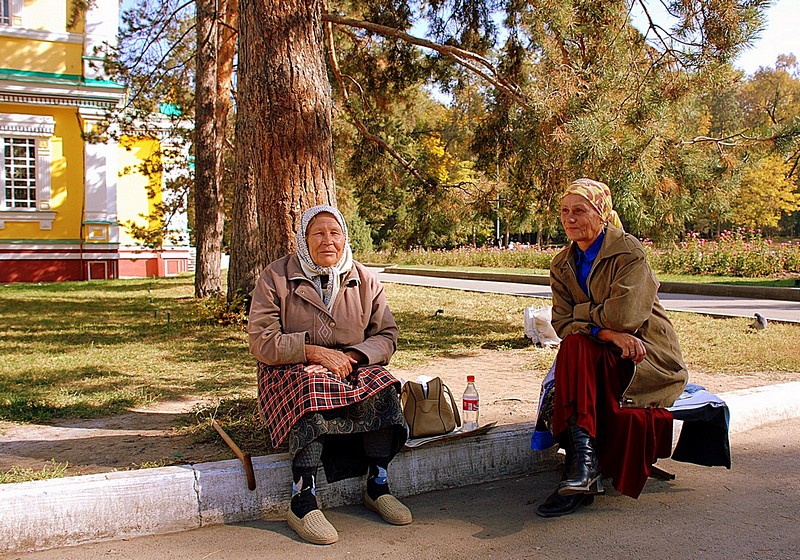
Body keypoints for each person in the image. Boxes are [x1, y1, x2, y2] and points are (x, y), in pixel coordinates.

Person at [248, 205, 411, 545]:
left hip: (351, 365)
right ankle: (302, 499)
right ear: (303, 240)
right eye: (318, 233)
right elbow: (262, 339)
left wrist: (350, 356)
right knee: (312, 385)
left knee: (383, 386)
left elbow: (387, 335)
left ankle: (377, 485)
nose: (328, 241)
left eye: (335, 233)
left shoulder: (365, 279)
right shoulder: (275, 277)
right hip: (292, 368)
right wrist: (315, 352)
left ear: (345, 238)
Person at [537, 178, 688, 518]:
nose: (570, 219)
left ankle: (581, 470)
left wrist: (586, 320)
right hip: (600, 350)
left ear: (601, 212)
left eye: (579, 210)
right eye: (564, 211)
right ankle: (583, 470)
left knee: (576, 347)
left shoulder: (628, 252)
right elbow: (560, 325)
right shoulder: (562, 263)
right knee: (575, 345)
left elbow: (626, 316)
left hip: (644, 354)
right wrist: (604, 333)